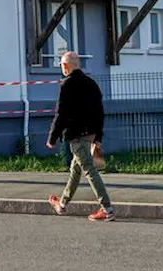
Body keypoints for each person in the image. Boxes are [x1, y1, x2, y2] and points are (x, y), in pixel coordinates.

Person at [46, 51, 114, 222]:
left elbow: (60, 114)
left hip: (77, 136)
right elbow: (100, 112)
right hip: (90, 134)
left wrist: (52, 137)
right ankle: (62, 205)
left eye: (62, 65)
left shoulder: (66, 85)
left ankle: (107, 209)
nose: (62, 68)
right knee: (75, 170)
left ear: (66, 66)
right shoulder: (91, 84)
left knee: (89, 170)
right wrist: (98, 136)